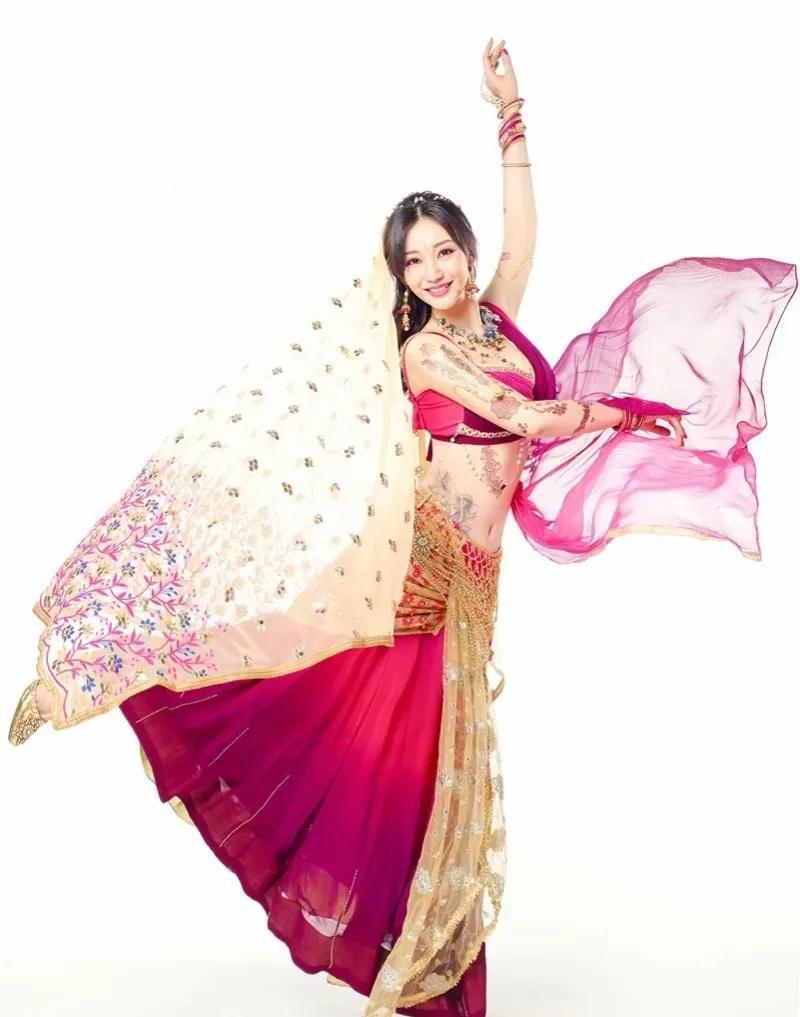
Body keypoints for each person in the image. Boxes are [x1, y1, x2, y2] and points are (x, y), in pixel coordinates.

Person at [8, 38, 797, 1017]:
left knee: (415, 758)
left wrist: (510, 117)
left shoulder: (495, 323)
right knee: (321, 700)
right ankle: (104, 673)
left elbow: (523, 240)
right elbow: (527, 416)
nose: (430, 270)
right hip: (420, 565)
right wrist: (632, 415)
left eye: (442, 251)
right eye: (412, 260)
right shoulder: (425, 353)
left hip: (476, 579)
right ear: (398, 275)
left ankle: (420, 962)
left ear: (464, 253)